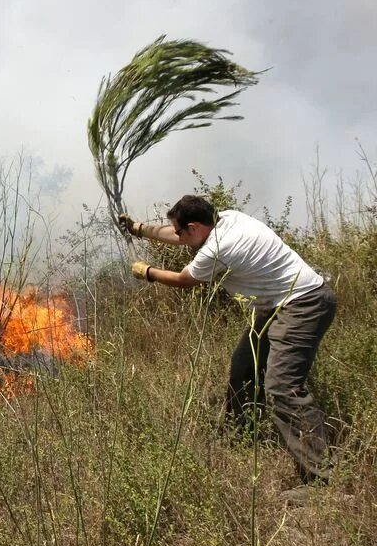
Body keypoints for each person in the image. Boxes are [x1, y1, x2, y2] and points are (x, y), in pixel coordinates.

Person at [119, 195, 337, 483]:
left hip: (302, 305)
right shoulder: (228, 218)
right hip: (276, 305)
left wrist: (148, 272)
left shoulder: (218, 249)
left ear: (194, 227)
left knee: (283, 387)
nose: (177, 236)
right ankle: (244, 435)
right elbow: (175, 235)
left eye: (181, 231)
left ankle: (318, 477)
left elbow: (185, 280)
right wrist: (138, 228)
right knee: (244, 368)